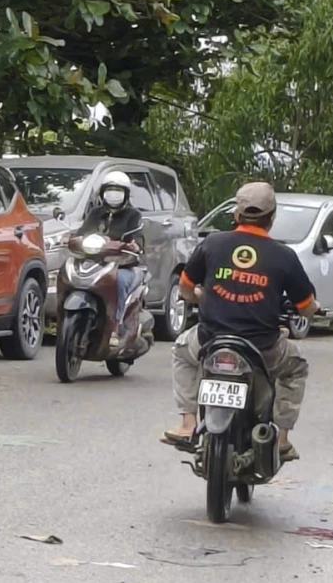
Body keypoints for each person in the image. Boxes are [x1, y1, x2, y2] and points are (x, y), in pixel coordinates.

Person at [164, 181, 316, 460]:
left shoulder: (212, 244)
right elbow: (305, 307)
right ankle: (282, 439)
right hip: (264, 348)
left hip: (210, 341)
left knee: (182, 352)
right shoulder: (284, 256)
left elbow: (185, 287)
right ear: (272, 217)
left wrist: (198, 296)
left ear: (237, 214)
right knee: (296, 368)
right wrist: (312, 309)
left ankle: (187, 423)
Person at [75, 170, 145, 342]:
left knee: (118, 282)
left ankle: (115, 326)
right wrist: (72, 238)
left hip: (121, 264)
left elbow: (138, 237)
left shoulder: (133, 215)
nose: (113, 194)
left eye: (118, 190)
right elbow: (82, 232)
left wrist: (135, 245)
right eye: (110, 190)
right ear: (102, 193)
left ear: (126, 194)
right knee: (69, 273)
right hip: (94, 262)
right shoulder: (95, 213)